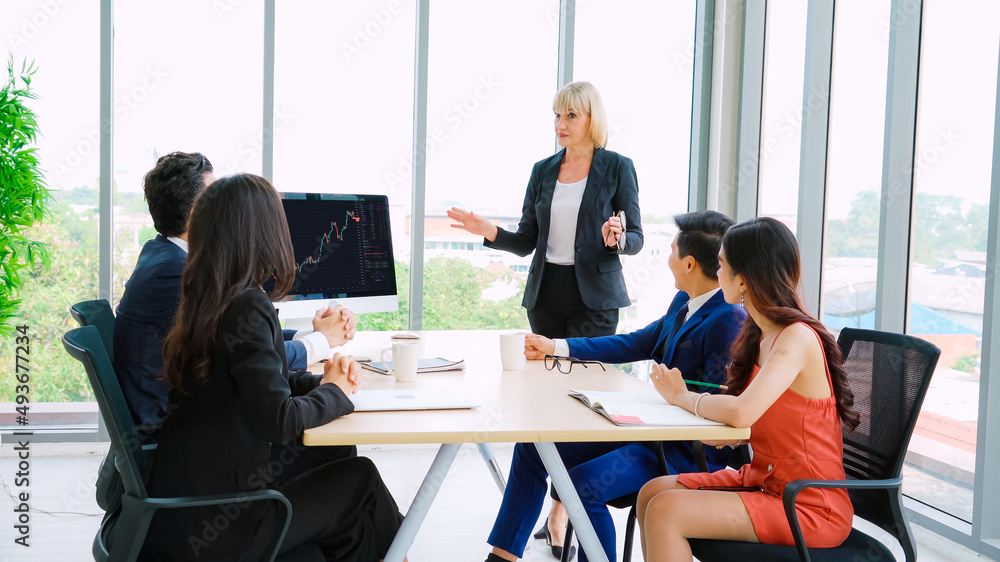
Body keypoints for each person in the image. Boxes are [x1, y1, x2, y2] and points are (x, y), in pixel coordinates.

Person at [144, 173, 402, 561]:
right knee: (361, 478)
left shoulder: (206, 295)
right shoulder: (248, 304)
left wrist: (321, 381)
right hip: (227, 523)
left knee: (338, 455)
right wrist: (337, 393)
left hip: (190, 505)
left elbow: (252, 381)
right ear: (265, 233)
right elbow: (278, 420)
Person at [483, 211, 745, 562]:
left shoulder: (727, 319)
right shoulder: (684, 303)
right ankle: (502, 557)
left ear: (689, 264)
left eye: (670, 250)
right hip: (650, 431)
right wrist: (557, 347)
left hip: (681, 451)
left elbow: (715, 404)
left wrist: (675, 397)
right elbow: (635, 343)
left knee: (582, 484)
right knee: (534, 446)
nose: (666, 258)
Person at [636, 217, 860, 561]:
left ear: (743, 278)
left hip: (809, 504)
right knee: (652, 492)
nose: (718, 272)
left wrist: (683, 398)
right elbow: (760, 419)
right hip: (765, 482)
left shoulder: (796, 337)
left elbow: (742, 411)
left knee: (666, 509)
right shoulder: (759, 335)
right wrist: (732, 435)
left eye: (723, 265)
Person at [113, 151, 356, 433]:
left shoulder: (164, 255)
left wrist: (312, 335)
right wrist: (322, 341)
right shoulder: (176, 272)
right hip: (172, 432)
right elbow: (243, 352)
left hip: (186, 416)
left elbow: (244, 344)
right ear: (197, 215)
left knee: (338, 453)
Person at [448, 81, 642, 340]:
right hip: (545, 296)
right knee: (546, 376)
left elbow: (636, 238)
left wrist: (617, 240)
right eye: (557, 115)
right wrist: (490, 231)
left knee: (585, 377)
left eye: (571, 116)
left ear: (592, 119)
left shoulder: (618, 167)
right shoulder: (542, 170)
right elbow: (526, 242)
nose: (560, 125)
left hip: (596, 299)